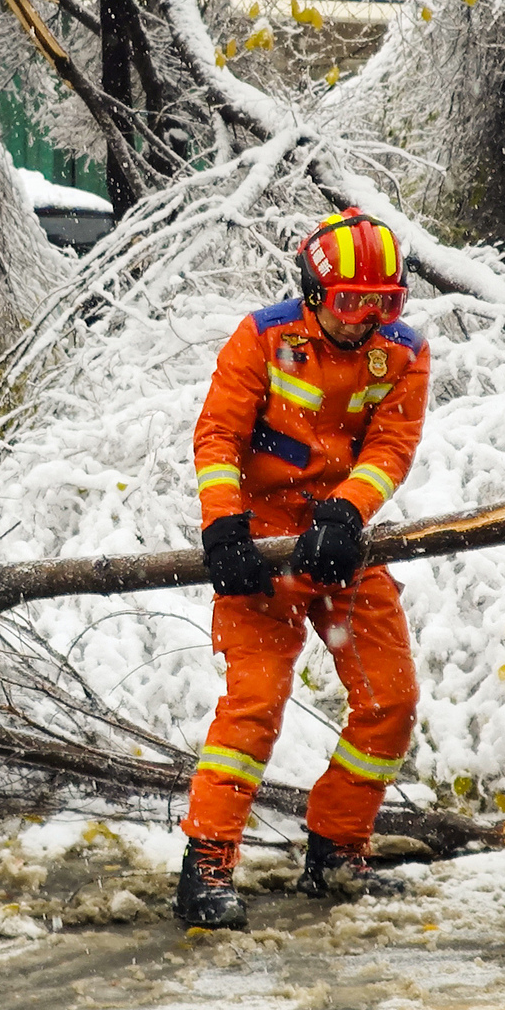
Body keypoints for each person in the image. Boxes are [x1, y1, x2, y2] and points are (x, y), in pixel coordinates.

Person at [175, 209, 433, 931]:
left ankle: (336, 850)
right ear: (316, 292)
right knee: (254, 703)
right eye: (353, 301)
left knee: (391, 699)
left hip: (342, 542)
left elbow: (390, 448)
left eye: (384, 303)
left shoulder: (403, 354)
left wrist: (348, 512)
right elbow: (218, 433)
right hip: (258, 546)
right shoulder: (262, 337)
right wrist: (223, 526)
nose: (366, 319)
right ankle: (207, 862)